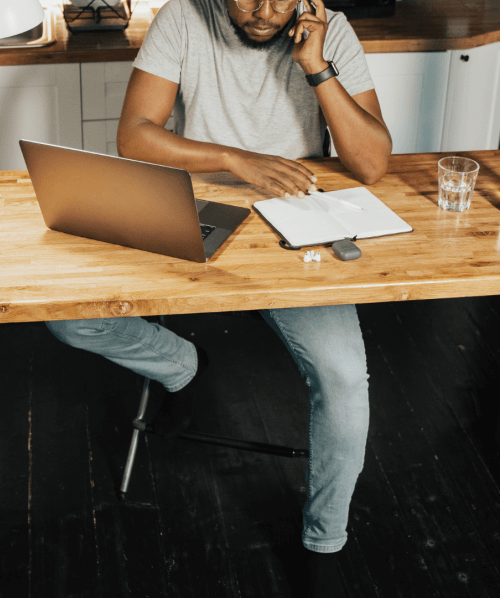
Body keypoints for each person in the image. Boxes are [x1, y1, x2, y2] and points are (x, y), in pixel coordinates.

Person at [46, 0, 392, 595]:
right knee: (71, 318)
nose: (264, 11)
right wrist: (236, 158)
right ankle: (182, 365)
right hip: (193, 201)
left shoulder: (331, 31)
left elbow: (373, 162)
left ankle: (324, 542)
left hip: (296, 217)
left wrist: (317, 66)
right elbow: (135, 136)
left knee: (343, 378)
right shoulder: (183, 17)